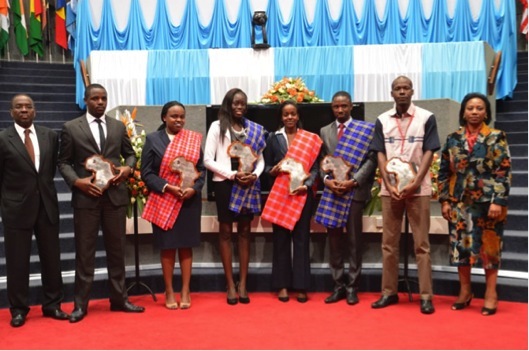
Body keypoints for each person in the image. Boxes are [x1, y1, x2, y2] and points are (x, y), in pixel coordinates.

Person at [58, 84, 145, 323]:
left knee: (117, 251)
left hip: (115, 197)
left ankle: (119, 300)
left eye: (104, 98)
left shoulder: (117, 126)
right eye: (95, 98)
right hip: (86, 198)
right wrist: (77, 182)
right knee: (85, 255)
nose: (100, 102)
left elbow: (130, 154)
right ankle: (80, 306)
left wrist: (128, 168)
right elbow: (63, 162)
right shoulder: (70, 128)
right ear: (86, 100)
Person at [370, 76, 440, 314]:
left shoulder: (426, 117)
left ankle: (426, 296)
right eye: (397, 89)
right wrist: (387, 183)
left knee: (422, 244)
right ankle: (388, 292)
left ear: (412, 91)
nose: (401, 92)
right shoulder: (382, 120)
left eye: (405, 88)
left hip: (418, 189)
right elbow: (379, 152)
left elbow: (430, 151)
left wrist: (417, 181)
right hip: (391, 189)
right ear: (392, 93)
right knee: (389, 244)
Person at [438, 92, 511, 316]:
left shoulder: (496, 137)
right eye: (470, 108)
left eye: (479, 108)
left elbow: (503, 171)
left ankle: (490, 294)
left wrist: (498, 200)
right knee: (462, 248)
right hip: (460, 203)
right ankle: (465, 291)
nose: (474, 112)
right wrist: (445, 200)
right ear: (463, 112)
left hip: (489, 203)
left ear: (486, 112)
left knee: (489, 249)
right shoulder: (453, 138)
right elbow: (443, 172)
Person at [0, 94, 68, 327]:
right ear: (11, 112)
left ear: (35, 111)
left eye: (28, 106)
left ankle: (53, 305)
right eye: (18, 107)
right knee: (17, 262)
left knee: (52, 259)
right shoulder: (2, 139)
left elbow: (47, 173)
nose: (24, 110)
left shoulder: (50, 136)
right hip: (16, 209)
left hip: (46, 206)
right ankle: (18, 309)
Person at [314, 91, 377, 305]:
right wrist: (326, 182)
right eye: (336, 107)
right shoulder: (324, 131)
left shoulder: (365, 129)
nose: (340, 110)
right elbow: (322, 161)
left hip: (354, 191)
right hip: (333, 191)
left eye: (344, 106)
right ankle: (338, 285)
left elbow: (371, 160)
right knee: (334, 241)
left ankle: (352, 286)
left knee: (354, 241)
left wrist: (354, 181)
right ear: (332, 108)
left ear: (351, 107)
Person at [204, 88, 266, 305]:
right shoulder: (217, 127)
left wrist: (254, 176)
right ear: (228, 104)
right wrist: (232, 175)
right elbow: (207, 160)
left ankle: (243, 284)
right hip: (225, 185)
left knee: (245, 232)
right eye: (235, 103)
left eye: (243, 104)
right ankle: (230, 284)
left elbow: (260, 160)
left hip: (247, 184)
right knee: (226, 232)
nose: (239, 107)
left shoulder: (253, 129)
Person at [141, 101, 205, 310]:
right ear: (164, 118)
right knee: (167, 247)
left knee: (186, 246)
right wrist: (167, 187)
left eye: (181, 116)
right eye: (173, 116)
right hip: (164, 199)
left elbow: (202, 171)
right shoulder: (153, 139)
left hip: (188, 201)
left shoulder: (193, 140)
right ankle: (169, 291)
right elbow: (146, 173)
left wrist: (193, 189)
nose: (178, 120)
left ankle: (185, 290)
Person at [261, 101, 322, 303]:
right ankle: (282, 285)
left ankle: (302, 286)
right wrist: (274, 170)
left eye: (293, 114)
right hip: (280, 194)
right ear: (281, 117)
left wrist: (309, 184)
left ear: (298, 116)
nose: (289, 117)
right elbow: (267, 166)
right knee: (280, 240)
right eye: (285, 114)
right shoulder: (273, 138)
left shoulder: (310, 139)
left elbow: (315, 169)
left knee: (302, 240)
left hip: (302, 194)